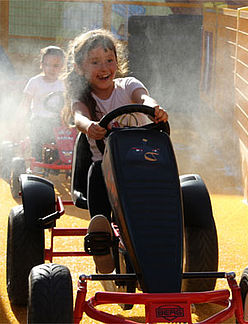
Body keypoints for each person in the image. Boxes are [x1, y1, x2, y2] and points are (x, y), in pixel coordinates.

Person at [64, 29, 167, 274]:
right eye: (95, 62)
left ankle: (163, 231)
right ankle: (101, 233)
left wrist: (155, 109)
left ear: (117, 63)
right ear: (80, 68)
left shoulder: (128, 85)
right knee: (96, 173)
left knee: (166, 179)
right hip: (107, 167)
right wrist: (89, 126)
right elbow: (78, 116)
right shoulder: (84, 98)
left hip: (142, 162)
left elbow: (144, 99)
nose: (104, 67)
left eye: (109, 60)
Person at [20, 46, 66, 163]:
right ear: (42, 64)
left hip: (56, 121)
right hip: (38, 120)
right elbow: (25, 103)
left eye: (56, 66)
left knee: (63, 138)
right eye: (47, 65)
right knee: (37, 138)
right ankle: (38, 162)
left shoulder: (62, 84)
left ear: (62, 67)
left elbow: (67, 106)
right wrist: (19, 120)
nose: (51, 69)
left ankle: (57, 161)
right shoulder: (35, 82)